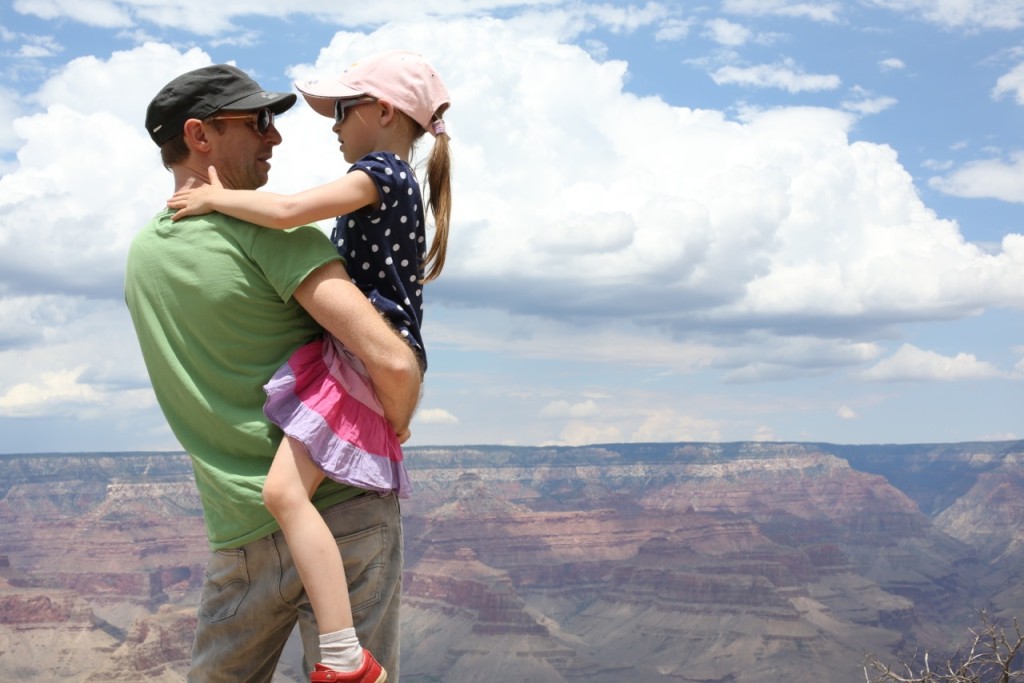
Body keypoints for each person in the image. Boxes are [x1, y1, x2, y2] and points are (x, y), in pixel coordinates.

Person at [125, 63, 422, 683]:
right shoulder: (272, 236)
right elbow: (391, 359)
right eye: (258, 122)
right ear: (200, 136)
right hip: (342, 513)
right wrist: (394, 423)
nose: (276, 137)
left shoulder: (143, 258)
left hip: (237, 531)